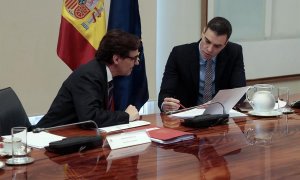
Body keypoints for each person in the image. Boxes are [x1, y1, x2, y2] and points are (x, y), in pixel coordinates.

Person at [35, 29, 140, 128]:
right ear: (116, 59)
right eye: (133, 58)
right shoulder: (89, 75)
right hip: (48, 137)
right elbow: (90, 119)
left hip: (74, 136)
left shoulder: (103, 73)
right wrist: (125, 116)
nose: (137, 62)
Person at [158, 17, 246, 112]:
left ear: (225, 44)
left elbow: (239, 93)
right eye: (207, 41)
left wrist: (216, 104)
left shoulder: (234, 52)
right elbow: (165, 94)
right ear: (203, 32)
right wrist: (165, 105)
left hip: (219, 115)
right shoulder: (179, 54)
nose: (209, 49)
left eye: (217, 46)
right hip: (186, 116)